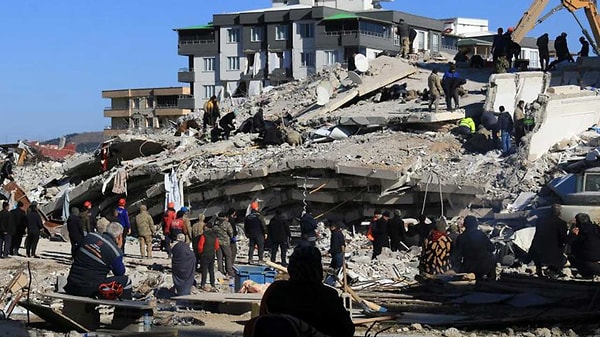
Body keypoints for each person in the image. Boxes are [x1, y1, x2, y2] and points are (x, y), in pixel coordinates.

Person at [255, 246, 355, 337]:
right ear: (318, 269)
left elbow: (263, 321)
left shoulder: (276, 290)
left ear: (291, 268)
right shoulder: (327, 296)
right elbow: (347, 329)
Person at [64, 222, 132, 299]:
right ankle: (123, 310)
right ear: (119, 237)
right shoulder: (115, 251)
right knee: (127, 281)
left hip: (71, 284)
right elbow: (120, 272)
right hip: (91, 289)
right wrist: (118, 249)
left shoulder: (90, 236)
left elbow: (75, 252)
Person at [529, 204, 568, 278]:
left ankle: (539, 269)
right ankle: (553, 270)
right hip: (553, 253)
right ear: (560, 213)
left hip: (538, 250)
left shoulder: (540, 221)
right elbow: (563, 239)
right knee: (562, 255)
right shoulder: (561, 223)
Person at [451, 215, 495, 280]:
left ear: (465, 225)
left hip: (468, 267)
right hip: (483, 267)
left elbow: (457, 256)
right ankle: (492, 280)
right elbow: (492, 248)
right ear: (475, 224)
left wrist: (455, 269)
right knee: (492, 257)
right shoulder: (481, 234)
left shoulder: (461, 237)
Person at [568, 213, 600, 278]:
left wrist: (572, 235)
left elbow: (571, 245)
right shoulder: (596, 228)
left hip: (587, 260)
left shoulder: (581, 231)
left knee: (572, 257)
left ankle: (586, 273)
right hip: (597, 257)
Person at [197, 221, 220, 291]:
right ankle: (212, 284)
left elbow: (200, 246)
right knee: (211, 270)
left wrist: (200, 252)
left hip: (205, 254)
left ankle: (203, 284)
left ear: (206, 227)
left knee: (204, 270)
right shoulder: (214, 235)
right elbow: (217, 246)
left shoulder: (203, 235)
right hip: (212, 254)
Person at [213, 211, 234, 277]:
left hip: (217, 242)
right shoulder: (227, 223)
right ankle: (229, 271)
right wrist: (231, 238)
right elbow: (231, 232)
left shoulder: (215, 223)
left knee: (219, 257)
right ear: (224, 217)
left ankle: (220, 271)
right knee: (228, 256)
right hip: (225, 242)